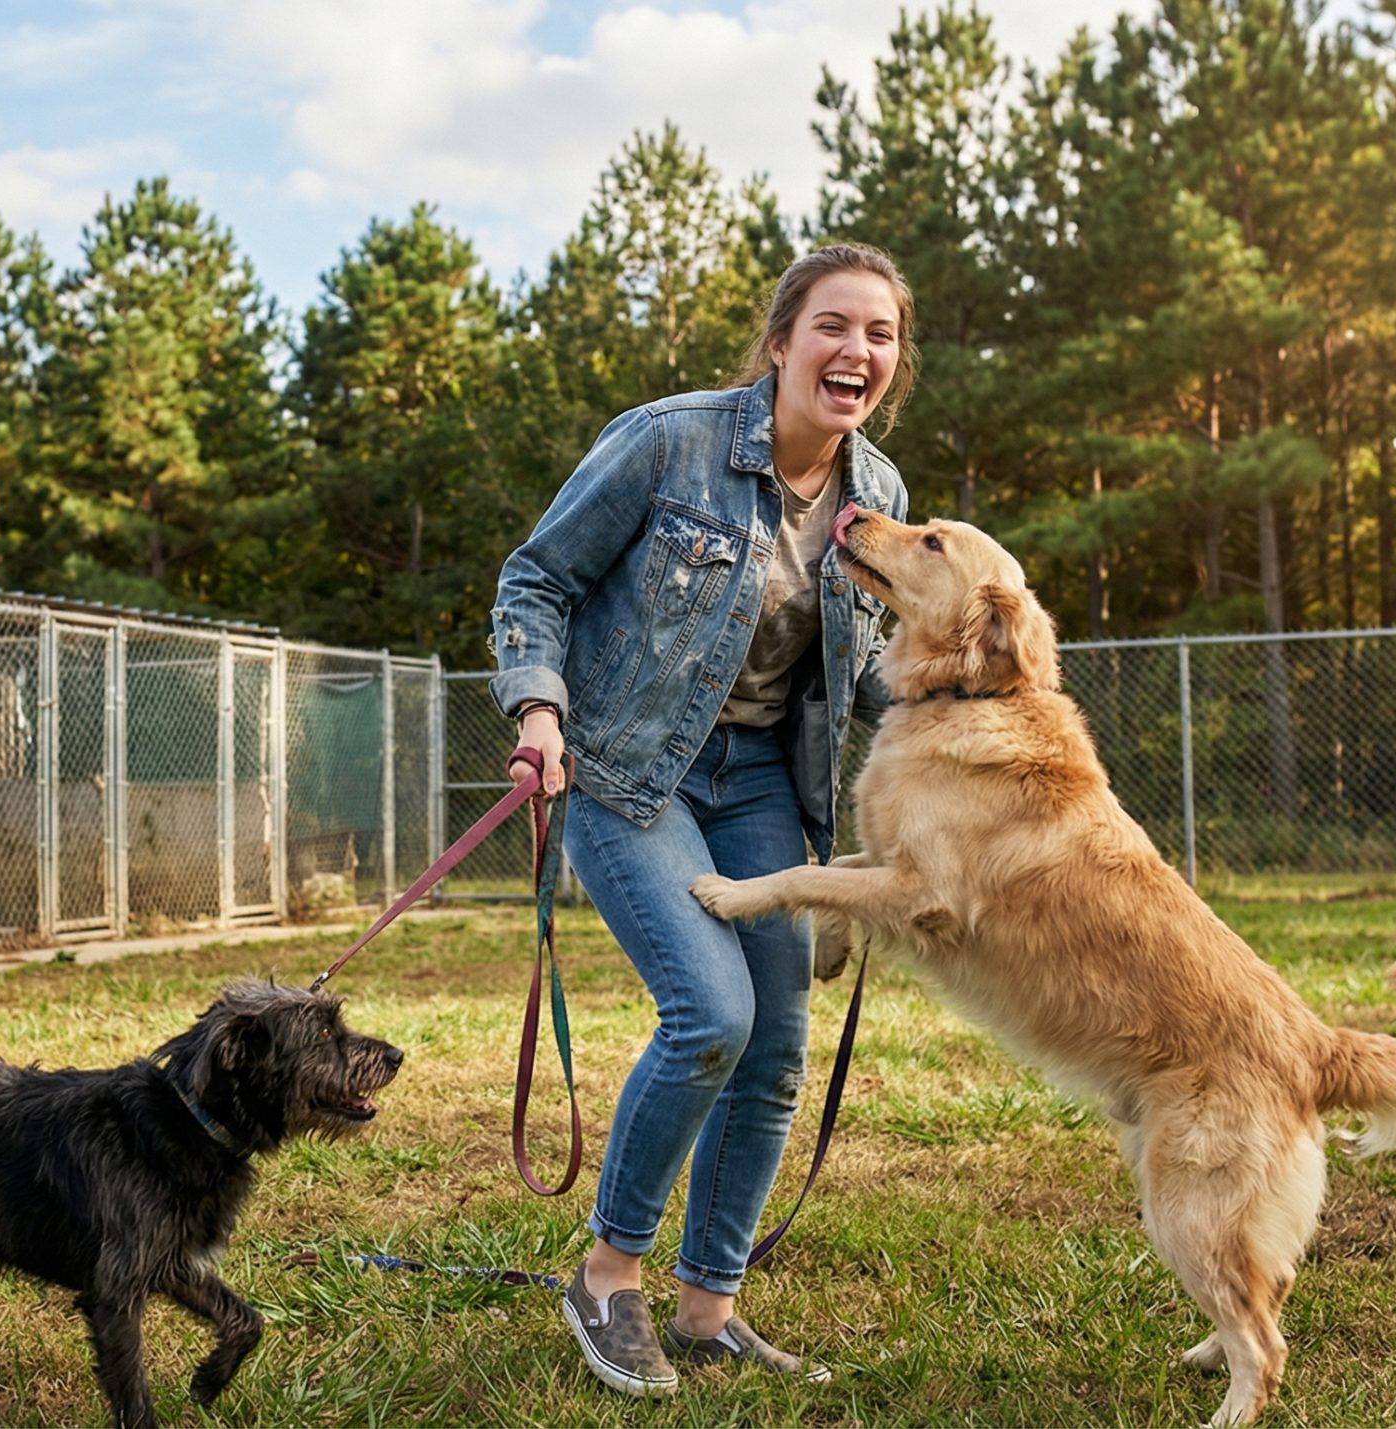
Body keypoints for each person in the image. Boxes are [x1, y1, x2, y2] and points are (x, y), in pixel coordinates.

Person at [489, 242, 916, 1395]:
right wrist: (537, 710)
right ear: (781, 342)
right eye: (833, 326)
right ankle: (607, 1276)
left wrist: (987, 727)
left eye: (878, 335)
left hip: (766, 784)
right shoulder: (666, 438)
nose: (856, 351)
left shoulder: (877, 498)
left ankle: (705, 1306)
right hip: (630, 773)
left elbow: (870, 670)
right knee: (710, 1012)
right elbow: (535, 580)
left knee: (775, 1041)